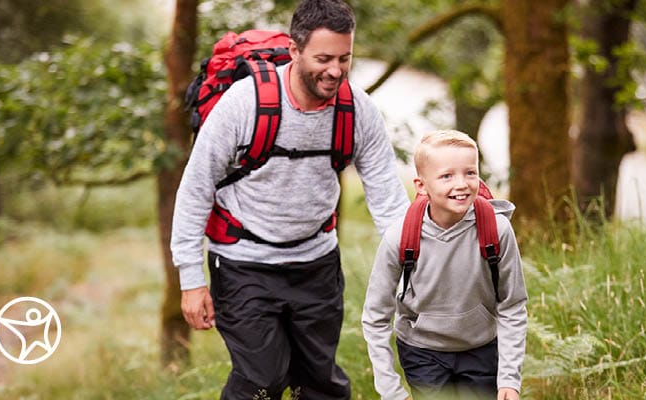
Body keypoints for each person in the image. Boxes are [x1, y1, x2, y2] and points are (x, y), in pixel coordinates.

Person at [170, 0, 409, 398]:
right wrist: (191, 280)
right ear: (294, 50)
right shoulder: (244, 104)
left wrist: (413, 269)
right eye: (323, 59)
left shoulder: (357, 110)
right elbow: (195, 190)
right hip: (244, 264)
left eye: (344, 58)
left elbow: (388, 198)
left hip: (316, 263)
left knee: (320, 384)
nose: (335, 71)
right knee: (262, 381)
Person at [361, 130, 527, 400]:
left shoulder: (497, 230)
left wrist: (509, 378)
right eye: (447, 176)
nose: (461, 184)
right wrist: (390, 389)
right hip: (422, 351)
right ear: (421, 185)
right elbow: (375, 317)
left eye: (470, 173)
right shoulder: (400, 237)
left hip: (481, 349)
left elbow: (512, 305)